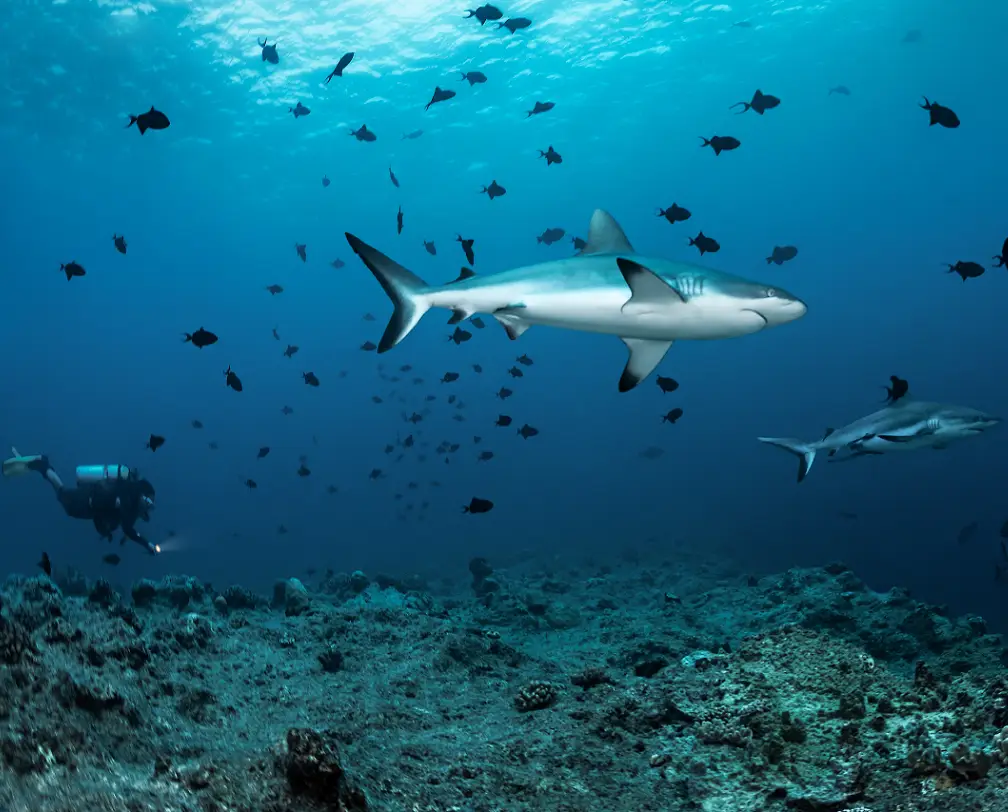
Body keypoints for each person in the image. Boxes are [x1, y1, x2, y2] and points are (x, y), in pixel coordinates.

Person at [3, 448, 160, 555]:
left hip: (91, 501)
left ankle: (43, 467)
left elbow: (126, 526)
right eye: (148, 504)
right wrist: (147, 545)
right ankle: (43, 465)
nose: (146, 509)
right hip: (87, 500)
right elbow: (128, 530)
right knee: (63, 496)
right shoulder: (128, 503)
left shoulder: (132, 495)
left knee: (65, 499)